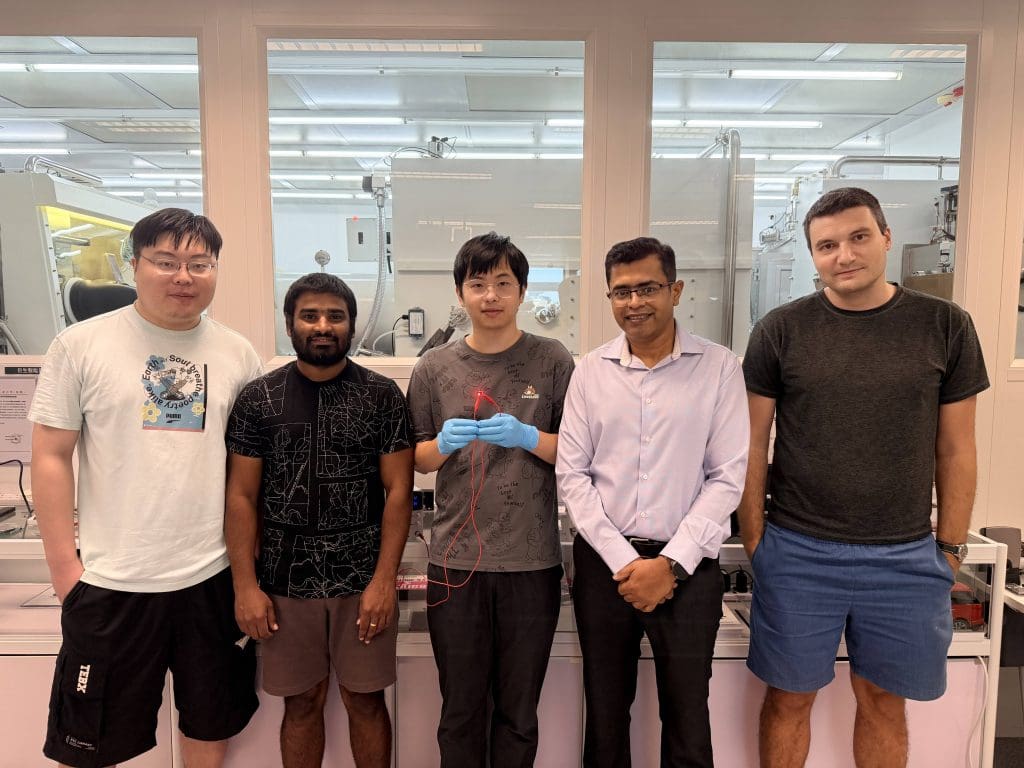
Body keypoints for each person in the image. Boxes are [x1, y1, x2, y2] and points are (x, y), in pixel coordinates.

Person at [739, 186, 990, 768]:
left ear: (885, 237)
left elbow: (957, 448)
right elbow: (750, 444)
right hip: (798, 551)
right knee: (788, 699)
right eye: (826, 245)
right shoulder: (781, 330)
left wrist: (949, 549)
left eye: (858, 238)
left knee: (882, 700)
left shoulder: (944, 325)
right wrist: (756, 541)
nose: (844, 255)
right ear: (812, 255)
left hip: (904, 556)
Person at [30, 208, 262, 768]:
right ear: (134, 265)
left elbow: (249, 470)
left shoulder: (238, 353)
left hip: (211, 577)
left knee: (211, 719)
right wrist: (65, 571)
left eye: (200, 264)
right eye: (166, 261)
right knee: (89, 740)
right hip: (112, 580)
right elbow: (51, 456)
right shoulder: (80, 345)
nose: (184, 276)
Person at [555, 236, 749, 768]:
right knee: (605, 716)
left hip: (688, 569)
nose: (634, 302)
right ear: (609, 297)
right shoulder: (590, 371)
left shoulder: (719, 368)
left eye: (648, 288)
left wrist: (670, 564)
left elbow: (727, 478)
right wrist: (625, 562)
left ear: (675, 290)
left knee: (687, 718)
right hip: (605, 569)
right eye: (621, 292)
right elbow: (572, 475)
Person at [224, 272, 414, 768]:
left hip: (362, 583)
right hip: (284, 583)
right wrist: (245, 586)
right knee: (302, 703)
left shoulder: (382, 396)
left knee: (365, 700)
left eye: (336, 316)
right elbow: (241, 496)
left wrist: (384, 582)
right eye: (310, 316)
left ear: (352, 324)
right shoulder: (259, 399)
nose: (323, 326)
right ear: (290, 324)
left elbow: (399, 492)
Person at [406, 232, 574, 768]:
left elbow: (576, 451)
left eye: (503, 283)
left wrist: (529, 436)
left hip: (532, 564)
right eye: (478, 284)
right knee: (460, 711)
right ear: (460, 293)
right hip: (455, 565)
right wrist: (442, 444)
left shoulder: (552, 360)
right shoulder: (434, 367)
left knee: (518, 714)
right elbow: (417, 458)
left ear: (522, 291)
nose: (491, 295)